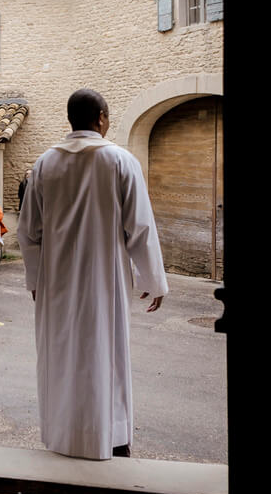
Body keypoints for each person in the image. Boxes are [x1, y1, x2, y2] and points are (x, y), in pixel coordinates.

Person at [17, 88, 168, 460]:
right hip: (104, 280)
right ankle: (111, 439)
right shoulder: (120, 161)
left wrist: (36, 280)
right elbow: (141, 228)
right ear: (101, 117)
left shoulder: (44, 165)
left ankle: (63, 436)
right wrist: (152, 280)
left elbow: (27, 232)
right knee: (104, 354)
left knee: (61, 356)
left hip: (57, 282)